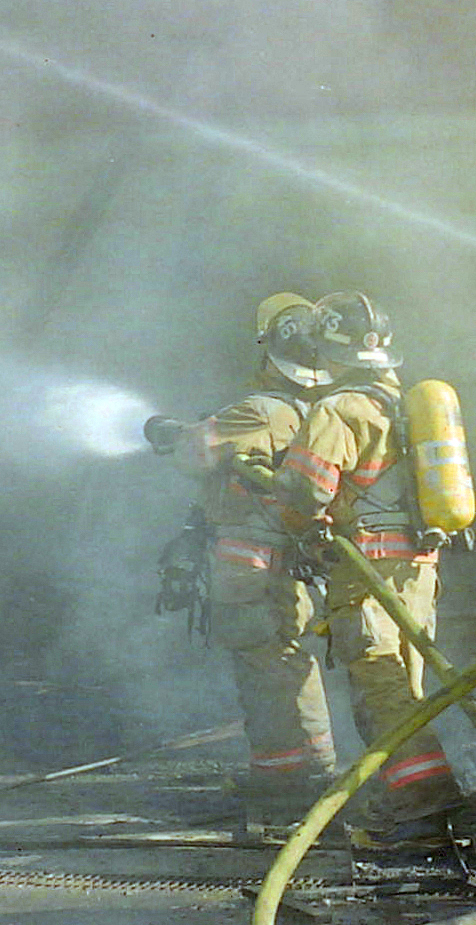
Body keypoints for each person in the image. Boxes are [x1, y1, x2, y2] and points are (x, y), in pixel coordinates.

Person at [273, 290, 464, 848]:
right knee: (407, 682)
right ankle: (408, 798)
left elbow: (306, 490)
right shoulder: (405, 402)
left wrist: (285, 498)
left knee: (380, 686)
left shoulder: (338, 410)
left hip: (368, 568)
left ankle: (425, 807)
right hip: (420, 566)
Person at [142, 292, 338, 825]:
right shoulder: (319, 411)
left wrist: (172, 431)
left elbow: (195, 454)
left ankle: (296, 780)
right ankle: (293, 773)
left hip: (254, 567)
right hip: (285, 563)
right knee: (282, 663)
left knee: (267, 666)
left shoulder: (262, 411)